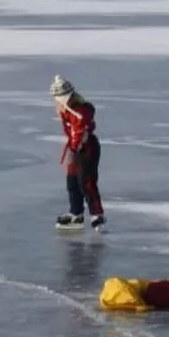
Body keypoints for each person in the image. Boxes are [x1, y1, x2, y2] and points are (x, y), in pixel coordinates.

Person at [52, 76, 105, 230]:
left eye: (58, 97)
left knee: (86, 182)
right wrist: (73, 146)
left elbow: (85, 121)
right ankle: (76, 214)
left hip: (87, 148)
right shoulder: (66, 110)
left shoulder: (81, 109)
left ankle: (97, 215)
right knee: (72, 182)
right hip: (75, 149)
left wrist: (81, 131)